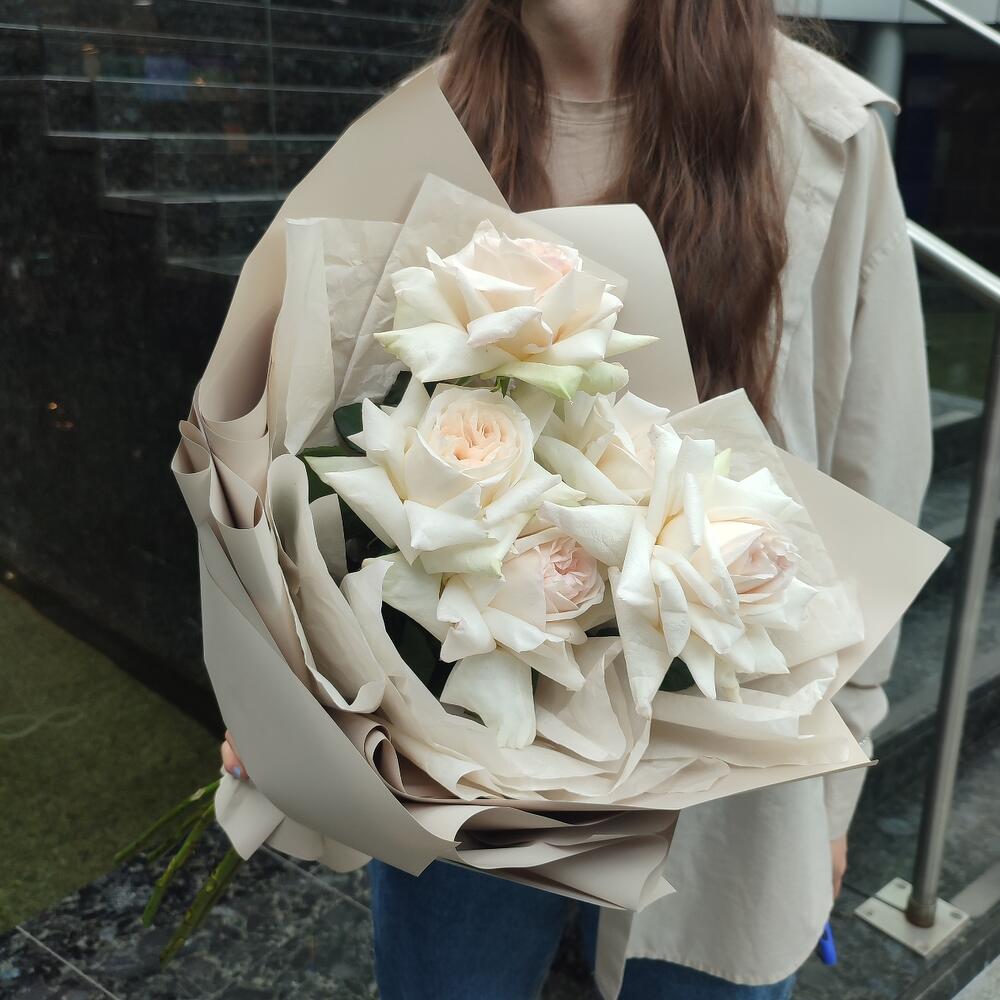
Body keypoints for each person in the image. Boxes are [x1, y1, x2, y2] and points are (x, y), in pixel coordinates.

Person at [222, 1, 933, 996]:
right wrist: (278, 670)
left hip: (728, 759)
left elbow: (874, 468)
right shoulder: (423, 121)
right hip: (459, 739)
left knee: (696, 962)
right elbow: (313, 429)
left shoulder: (818, 131)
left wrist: (833, 780)